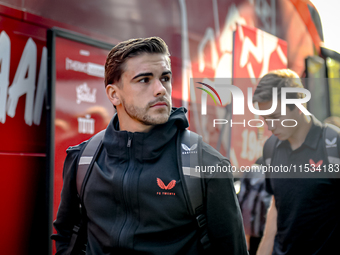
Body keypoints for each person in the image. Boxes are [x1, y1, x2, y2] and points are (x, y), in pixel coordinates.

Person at [51, 37, 248, 254]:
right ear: (114, 94)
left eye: (165, 78)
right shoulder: (83, 159)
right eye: (144, 80)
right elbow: (67, 237)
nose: (160, 89)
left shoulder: (208, 165)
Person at [252, 69, 340, 255]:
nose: (270, 126)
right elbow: (277, 205)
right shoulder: (270, 148)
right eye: (265, 119)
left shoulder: (332, 144)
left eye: (275, 117)